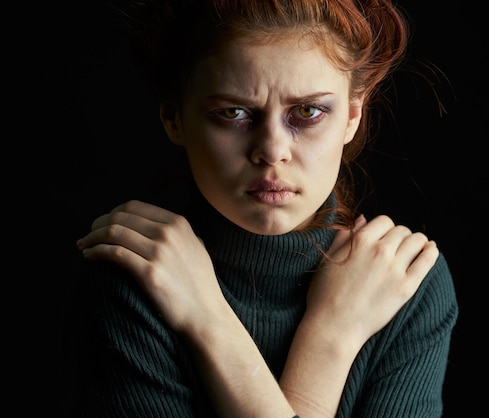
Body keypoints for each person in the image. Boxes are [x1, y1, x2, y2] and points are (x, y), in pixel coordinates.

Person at [60, 0, 459, 417]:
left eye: (307, 112)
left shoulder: (405, 284)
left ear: (352, 117)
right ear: (173, 116)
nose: (271, 151)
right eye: (233, 113)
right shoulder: (134, 277)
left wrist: (326, 333)